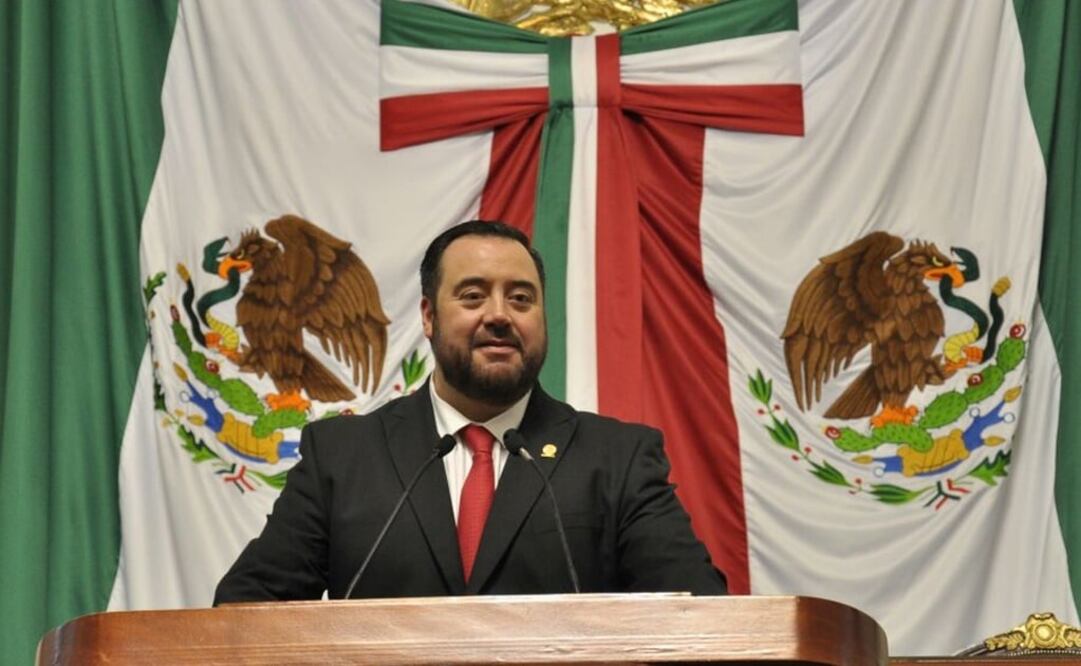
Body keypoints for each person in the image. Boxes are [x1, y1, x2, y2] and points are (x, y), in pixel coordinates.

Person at [214, 220, 726, 602]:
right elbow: (249, 612)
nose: (499, 315)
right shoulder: (343, 457)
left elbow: (697, 611)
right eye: (473, 295)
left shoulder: (618, 459)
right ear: (429, 317)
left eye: (521, 298)